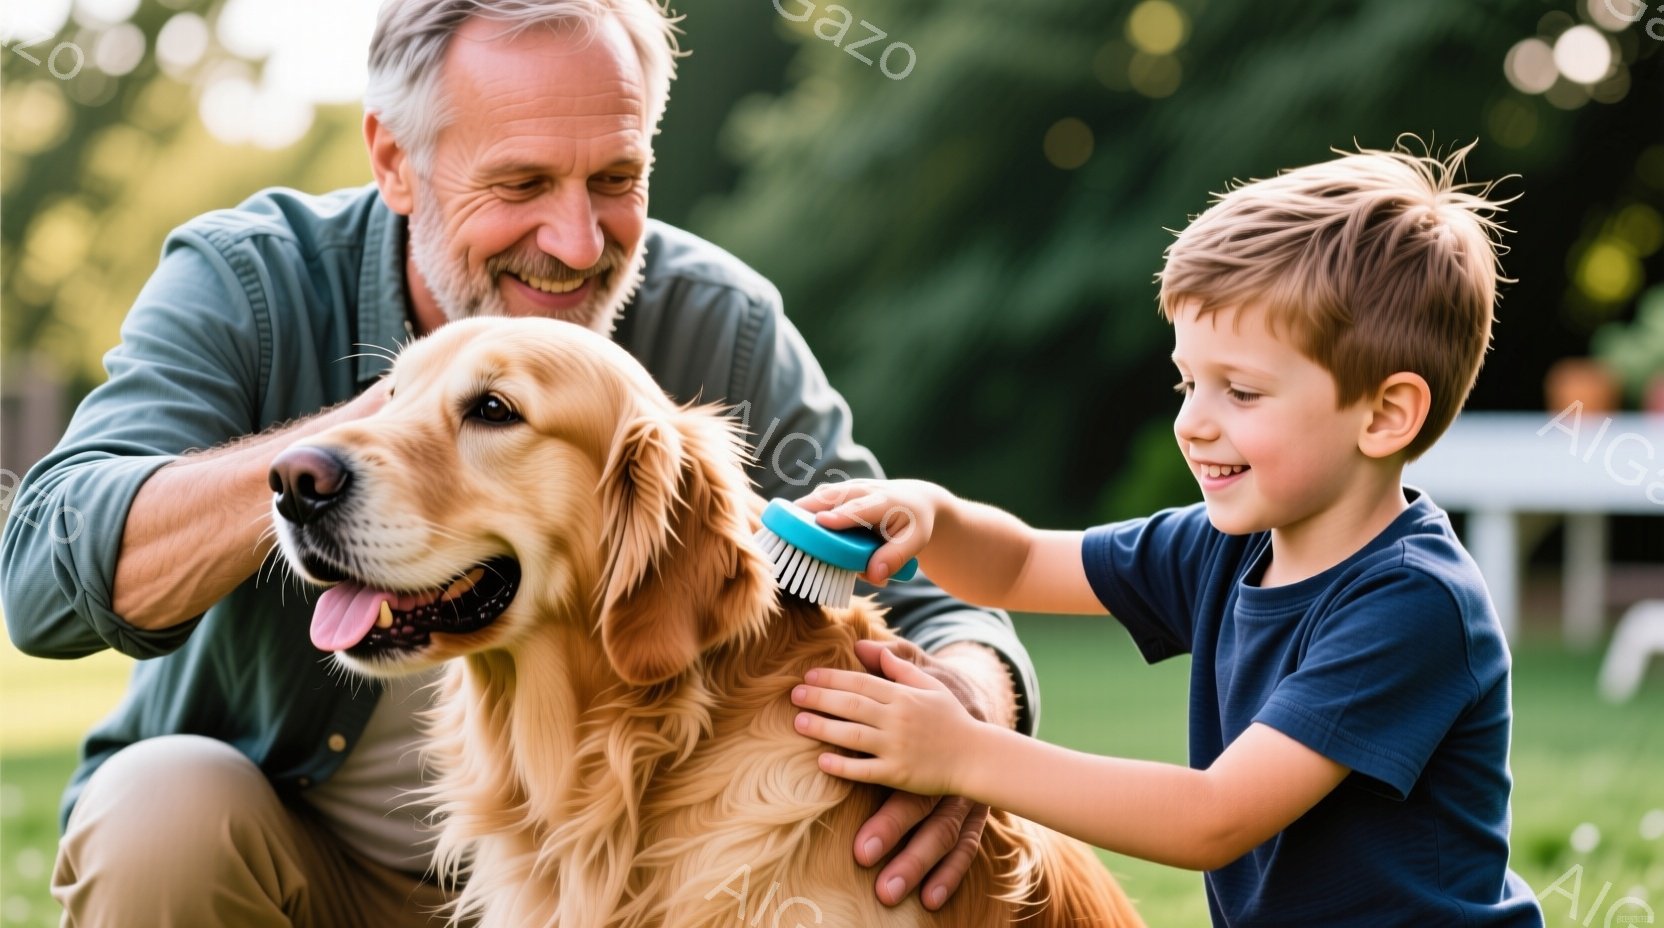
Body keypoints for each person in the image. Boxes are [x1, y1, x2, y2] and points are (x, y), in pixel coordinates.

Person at [0, 1, 1042, 923]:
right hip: (310, 877)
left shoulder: (715, 328)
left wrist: (963, 721)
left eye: (616, 178)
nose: (580, 242)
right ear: (395, 161)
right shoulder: (250, 284)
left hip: (626, 873)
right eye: (521, 182)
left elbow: (917, 593)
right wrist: (362, 442)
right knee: (157, 811)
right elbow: (44, 577)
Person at [790, 144, 1547, 926]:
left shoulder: (1411, 600)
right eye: (1188, 382)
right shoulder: (1223, 546)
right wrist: (936, 518)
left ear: (1385, 415)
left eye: (1241, 391)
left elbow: (1213, 817)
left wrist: (963, 754)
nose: (1192, 422)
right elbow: (1017, 568)